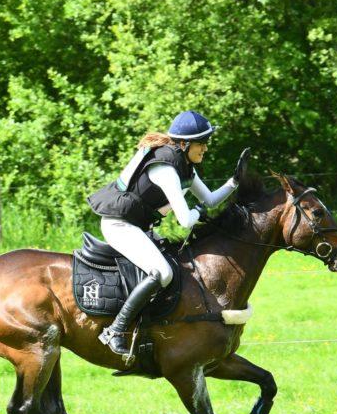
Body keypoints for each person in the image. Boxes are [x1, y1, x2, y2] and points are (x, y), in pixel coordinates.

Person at [87, 110, 249, 357]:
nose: (205, 149)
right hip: (119, 225)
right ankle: (115, 330)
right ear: (184, 144)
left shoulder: (185, 166)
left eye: (206, 143)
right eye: (201, 144)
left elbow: (209, 200)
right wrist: (198, 210)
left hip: (138, 227)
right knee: (162, 273)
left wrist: (234, 182)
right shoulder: (166, 169)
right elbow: (185, 220)